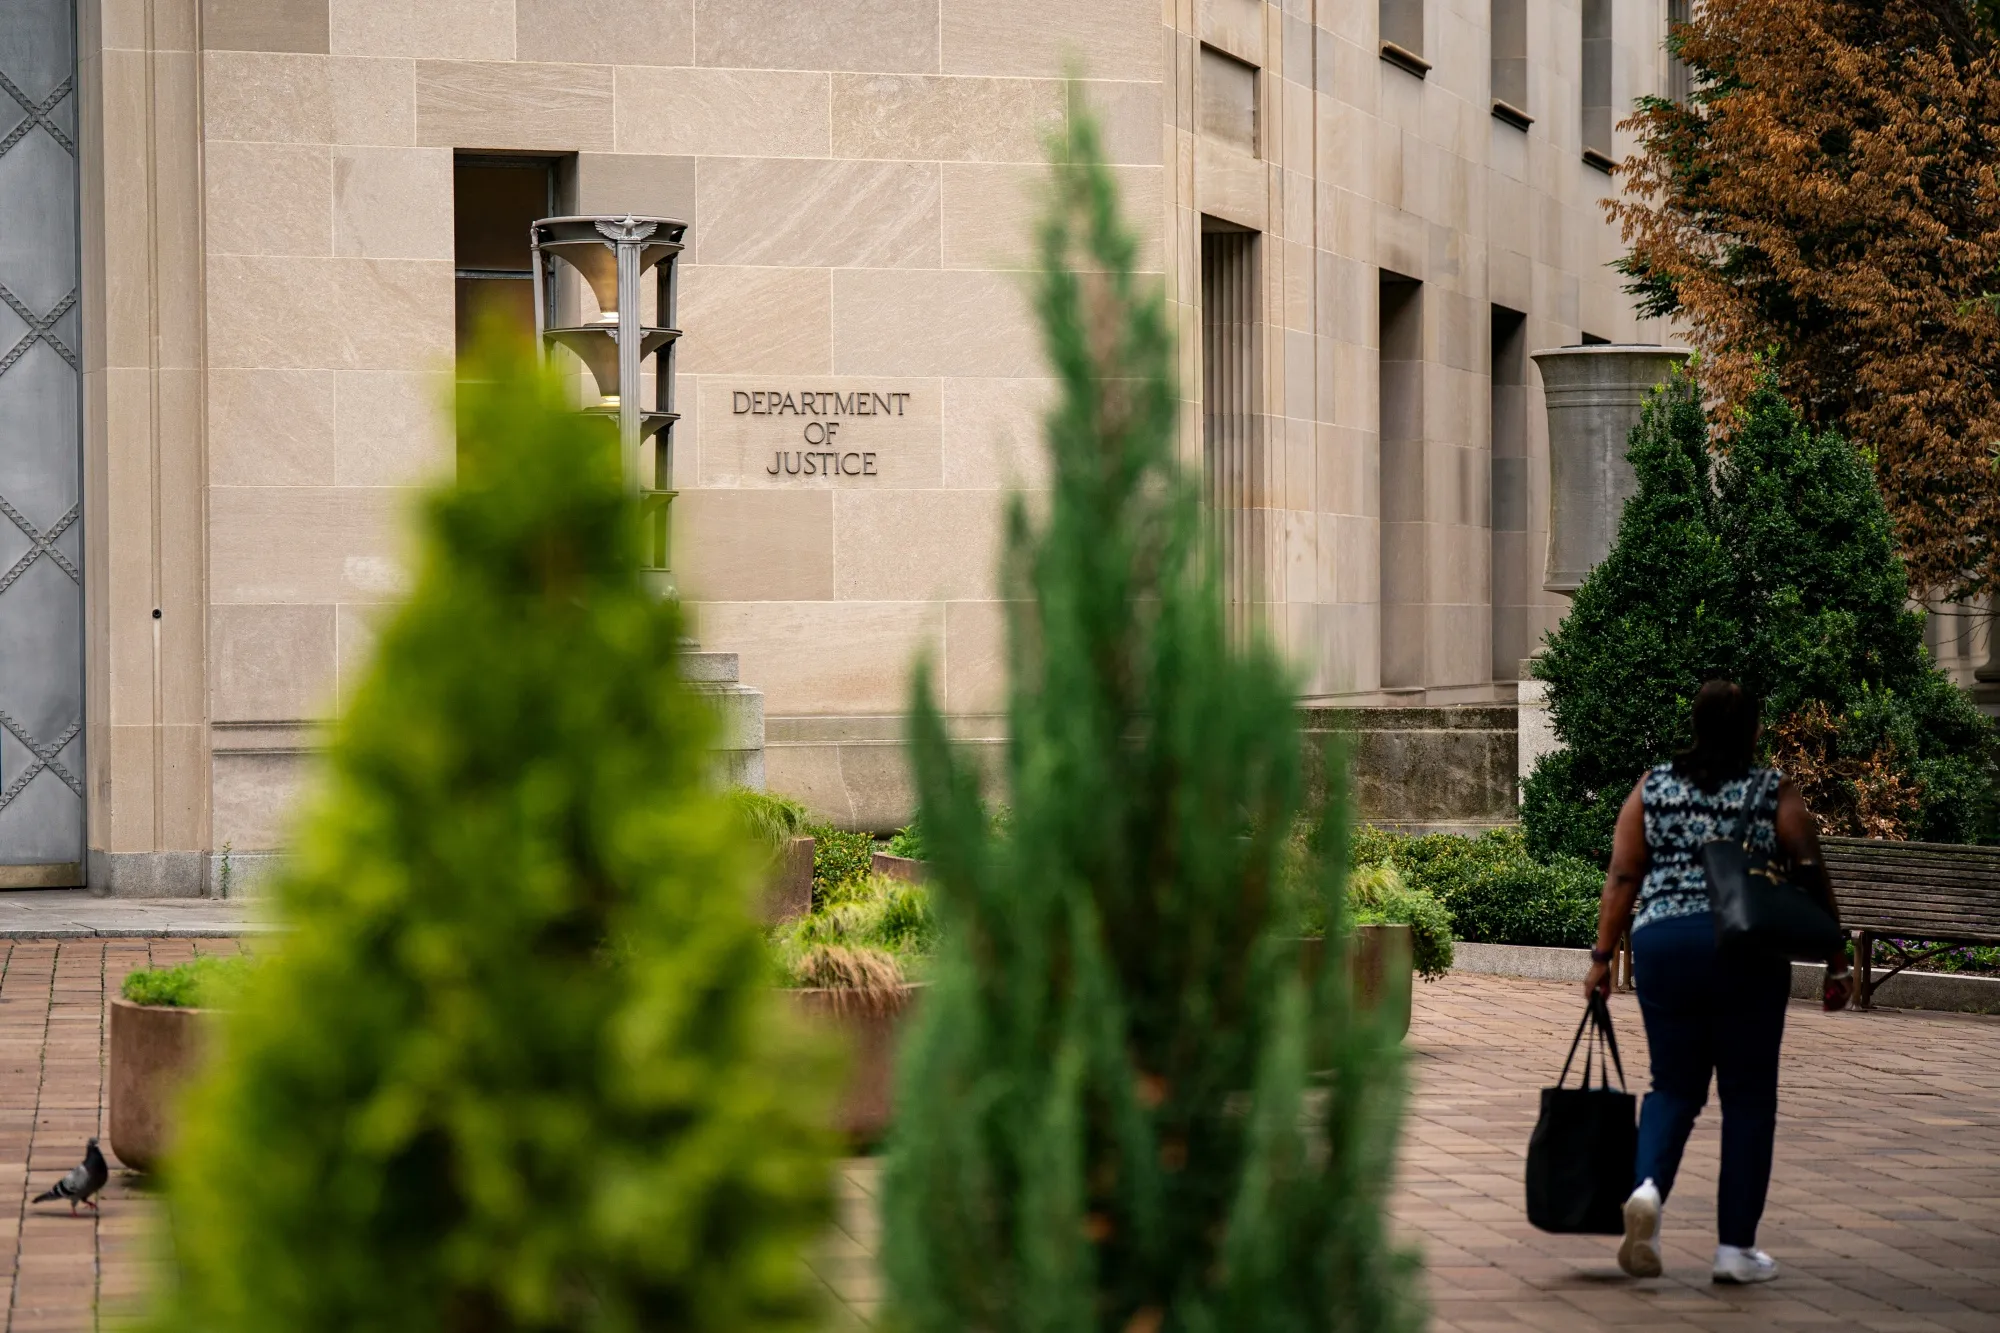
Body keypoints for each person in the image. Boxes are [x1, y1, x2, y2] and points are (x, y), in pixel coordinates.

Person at [1582, 679, 1852, 1285]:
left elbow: (1624, 876)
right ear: (1754, 731)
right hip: (1745, 948)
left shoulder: (1654, 787)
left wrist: (1602, 958)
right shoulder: (1771, 790)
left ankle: (1648, 1189)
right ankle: (1734, 1250)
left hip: (1664, 946)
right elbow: (1809, 869)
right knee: (1748, 1097)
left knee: (1673, 1087)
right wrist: (1835, 957)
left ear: (1696, 727)